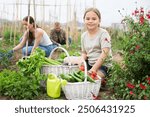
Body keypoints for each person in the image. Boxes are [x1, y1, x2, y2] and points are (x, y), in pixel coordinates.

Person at [80, 8, 112, 79]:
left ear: (99, 20)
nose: (90, 21)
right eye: (87, 19)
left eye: (94, 19)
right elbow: (84, 52)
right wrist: (81, 62)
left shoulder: (103, 34)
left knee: (91, 79)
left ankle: (105, 78)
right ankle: (101, 80)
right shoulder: (83, 36)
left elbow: (105, 53)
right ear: (84, 20)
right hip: (90, 64)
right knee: (79, 76)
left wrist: (94, 69)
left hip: (103, 66)